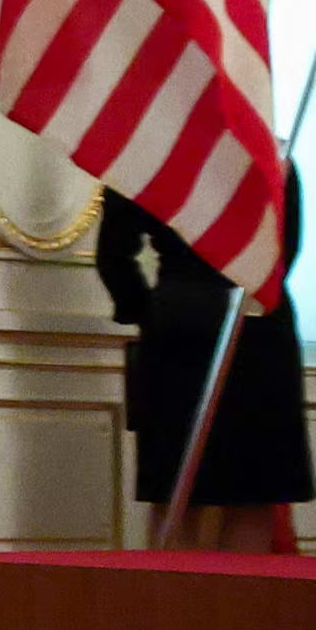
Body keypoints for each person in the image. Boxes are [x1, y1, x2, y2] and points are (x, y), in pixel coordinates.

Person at [104, 173, 308, 550]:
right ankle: (241, 594)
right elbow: (286, 249)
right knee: (251, 496)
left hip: (177, 327)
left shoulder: (153, 149)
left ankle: (172, 593)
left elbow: (113, 256)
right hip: (259, 323)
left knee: (176, 497)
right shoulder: (270, 153)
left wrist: (151, 312)